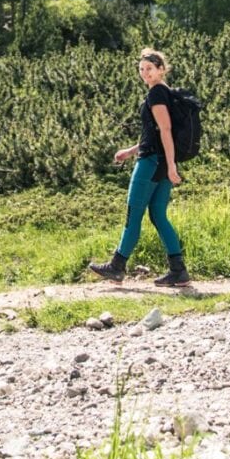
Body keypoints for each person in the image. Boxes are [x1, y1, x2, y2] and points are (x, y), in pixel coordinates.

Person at [88, 47, 190, 287]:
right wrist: (130, 151)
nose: (145, 73)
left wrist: (172, 166)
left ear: (162, 70)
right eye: (142, 69)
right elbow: (154, 134)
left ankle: (116, 266)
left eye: (150, 69)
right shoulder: (165, 93)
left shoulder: (156, 94)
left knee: (134, 214)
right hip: (160, 160)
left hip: (151, 163)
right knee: (158, 215)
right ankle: (179, 271)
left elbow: (165, 131)